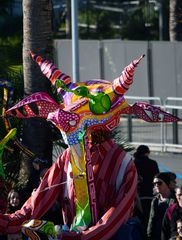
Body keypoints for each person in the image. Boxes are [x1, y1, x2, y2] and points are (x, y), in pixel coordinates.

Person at [134, 145, 159, 229]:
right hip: (150, 194)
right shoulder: (153, 163)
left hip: (138, 195)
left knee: (140, 218)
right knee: (150, 217)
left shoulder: (134, 163)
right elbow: (157, 177)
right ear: (147, 153)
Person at [147, 172, 175, 240]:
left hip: (170, 236)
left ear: (166, 183)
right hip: (157, 236)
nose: (156, 185)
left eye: (159, 183)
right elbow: (151, 222)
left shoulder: (175, 199)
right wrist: (149, 236)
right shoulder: (155, 201)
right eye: (154, 183)